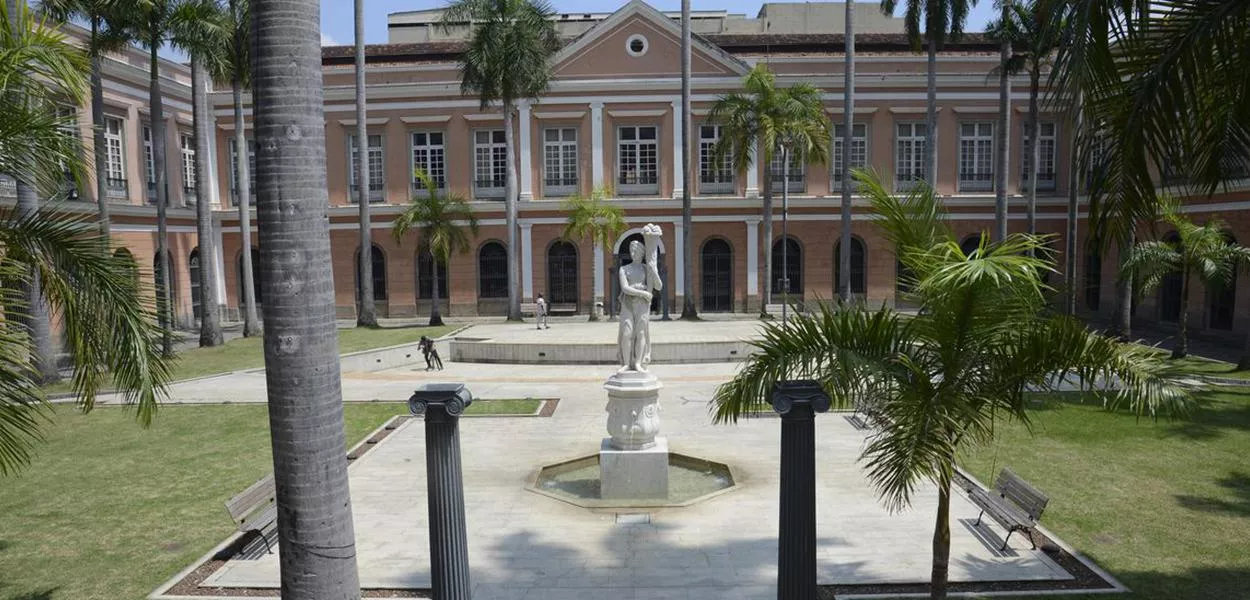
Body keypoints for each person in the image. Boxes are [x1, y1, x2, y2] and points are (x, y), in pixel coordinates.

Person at [617, 235, 661, 372]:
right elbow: (625, 288)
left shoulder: (646, 269)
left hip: (642, 305)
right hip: (628, 303)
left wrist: (654, 270)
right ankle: (626, 363)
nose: (633, 253)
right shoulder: (624, 269)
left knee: (641, 333)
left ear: (642, 253)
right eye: (631, 251)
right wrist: (643, 293)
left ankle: (637, 363)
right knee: (627, 333)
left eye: (636, 251)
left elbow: (659, 286)